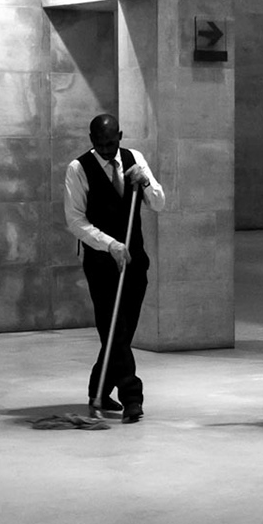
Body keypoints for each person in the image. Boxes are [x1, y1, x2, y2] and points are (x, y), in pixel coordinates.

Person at [63, 114, 165, 422]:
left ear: (119, 135)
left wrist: (145, 181)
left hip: (135, 261)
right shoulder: (78, 169)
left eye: (111, 143)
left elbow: (158, 203)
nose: (106, 150)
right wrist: (111, 245)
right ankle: (132, 396)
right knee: (113, 329)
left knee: (121, 333)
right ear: (91, 139)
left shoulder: (135, 159)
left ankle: (99, 388)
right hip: (101, 262)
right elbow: (76, 221)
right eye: (99, 144)